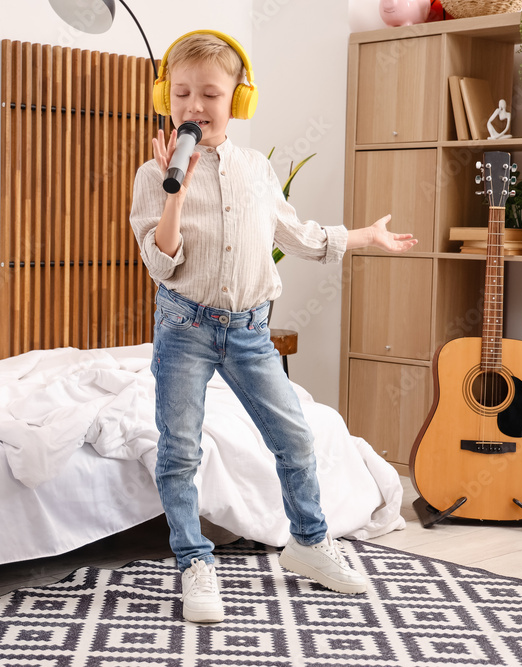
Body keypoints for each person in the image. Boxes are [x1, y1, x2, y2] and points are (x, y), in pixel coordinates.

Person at [129, 30, 418, 624]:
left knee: (295, 437)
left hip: (249, 333)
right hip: (184, 329)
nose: (193, 106)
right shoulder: (150, 176)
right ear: (166, 97)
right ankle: (193, 562)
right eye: (181, 92)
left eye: (209, 93)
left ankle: (309, 543)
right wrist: (174, 191)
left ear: (238, 100)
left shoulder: (257, 170)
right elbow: (161, 262)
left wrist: (365, 237)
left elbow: (300, 236)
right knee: (181, 451)